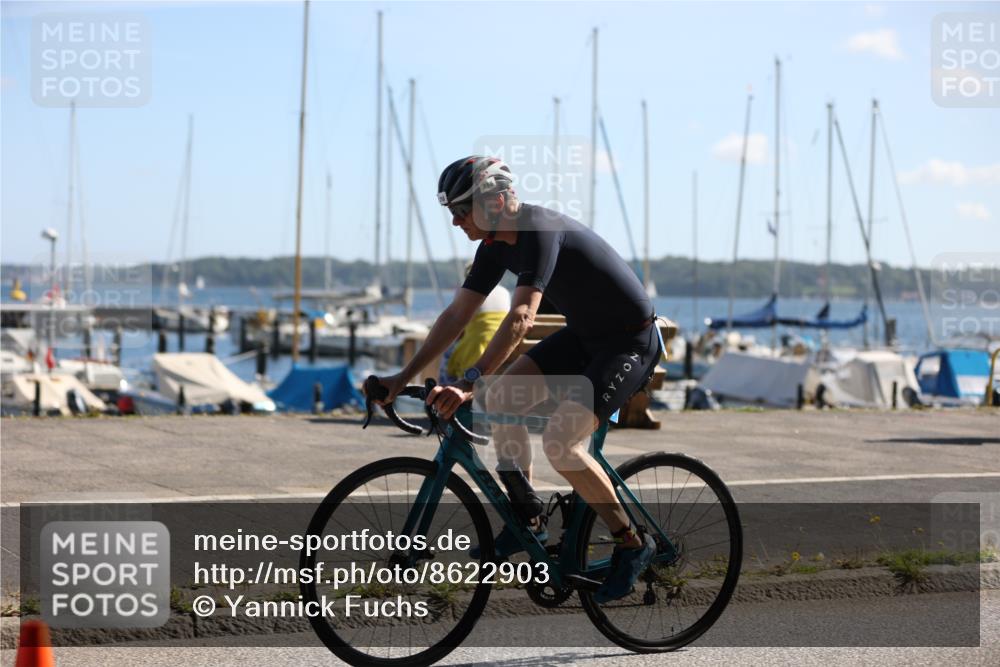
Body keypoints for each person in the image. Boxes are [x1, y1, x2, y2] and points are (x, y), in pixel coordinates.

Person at [370, 155, 662, 602]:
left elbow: (522, 317)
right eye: (452, 213)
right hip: (585, 338)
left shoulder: (539, 230)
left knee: (561, 444)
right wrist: (401, 375)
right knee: (499, 398)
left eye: (461, 211)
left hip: (629, 344)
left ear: (497, 201)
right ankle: (527, 518)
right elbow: (456, 316)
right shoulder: (493, 247)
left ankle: (631, 543)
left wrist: (468, 381)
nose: (455, 222)